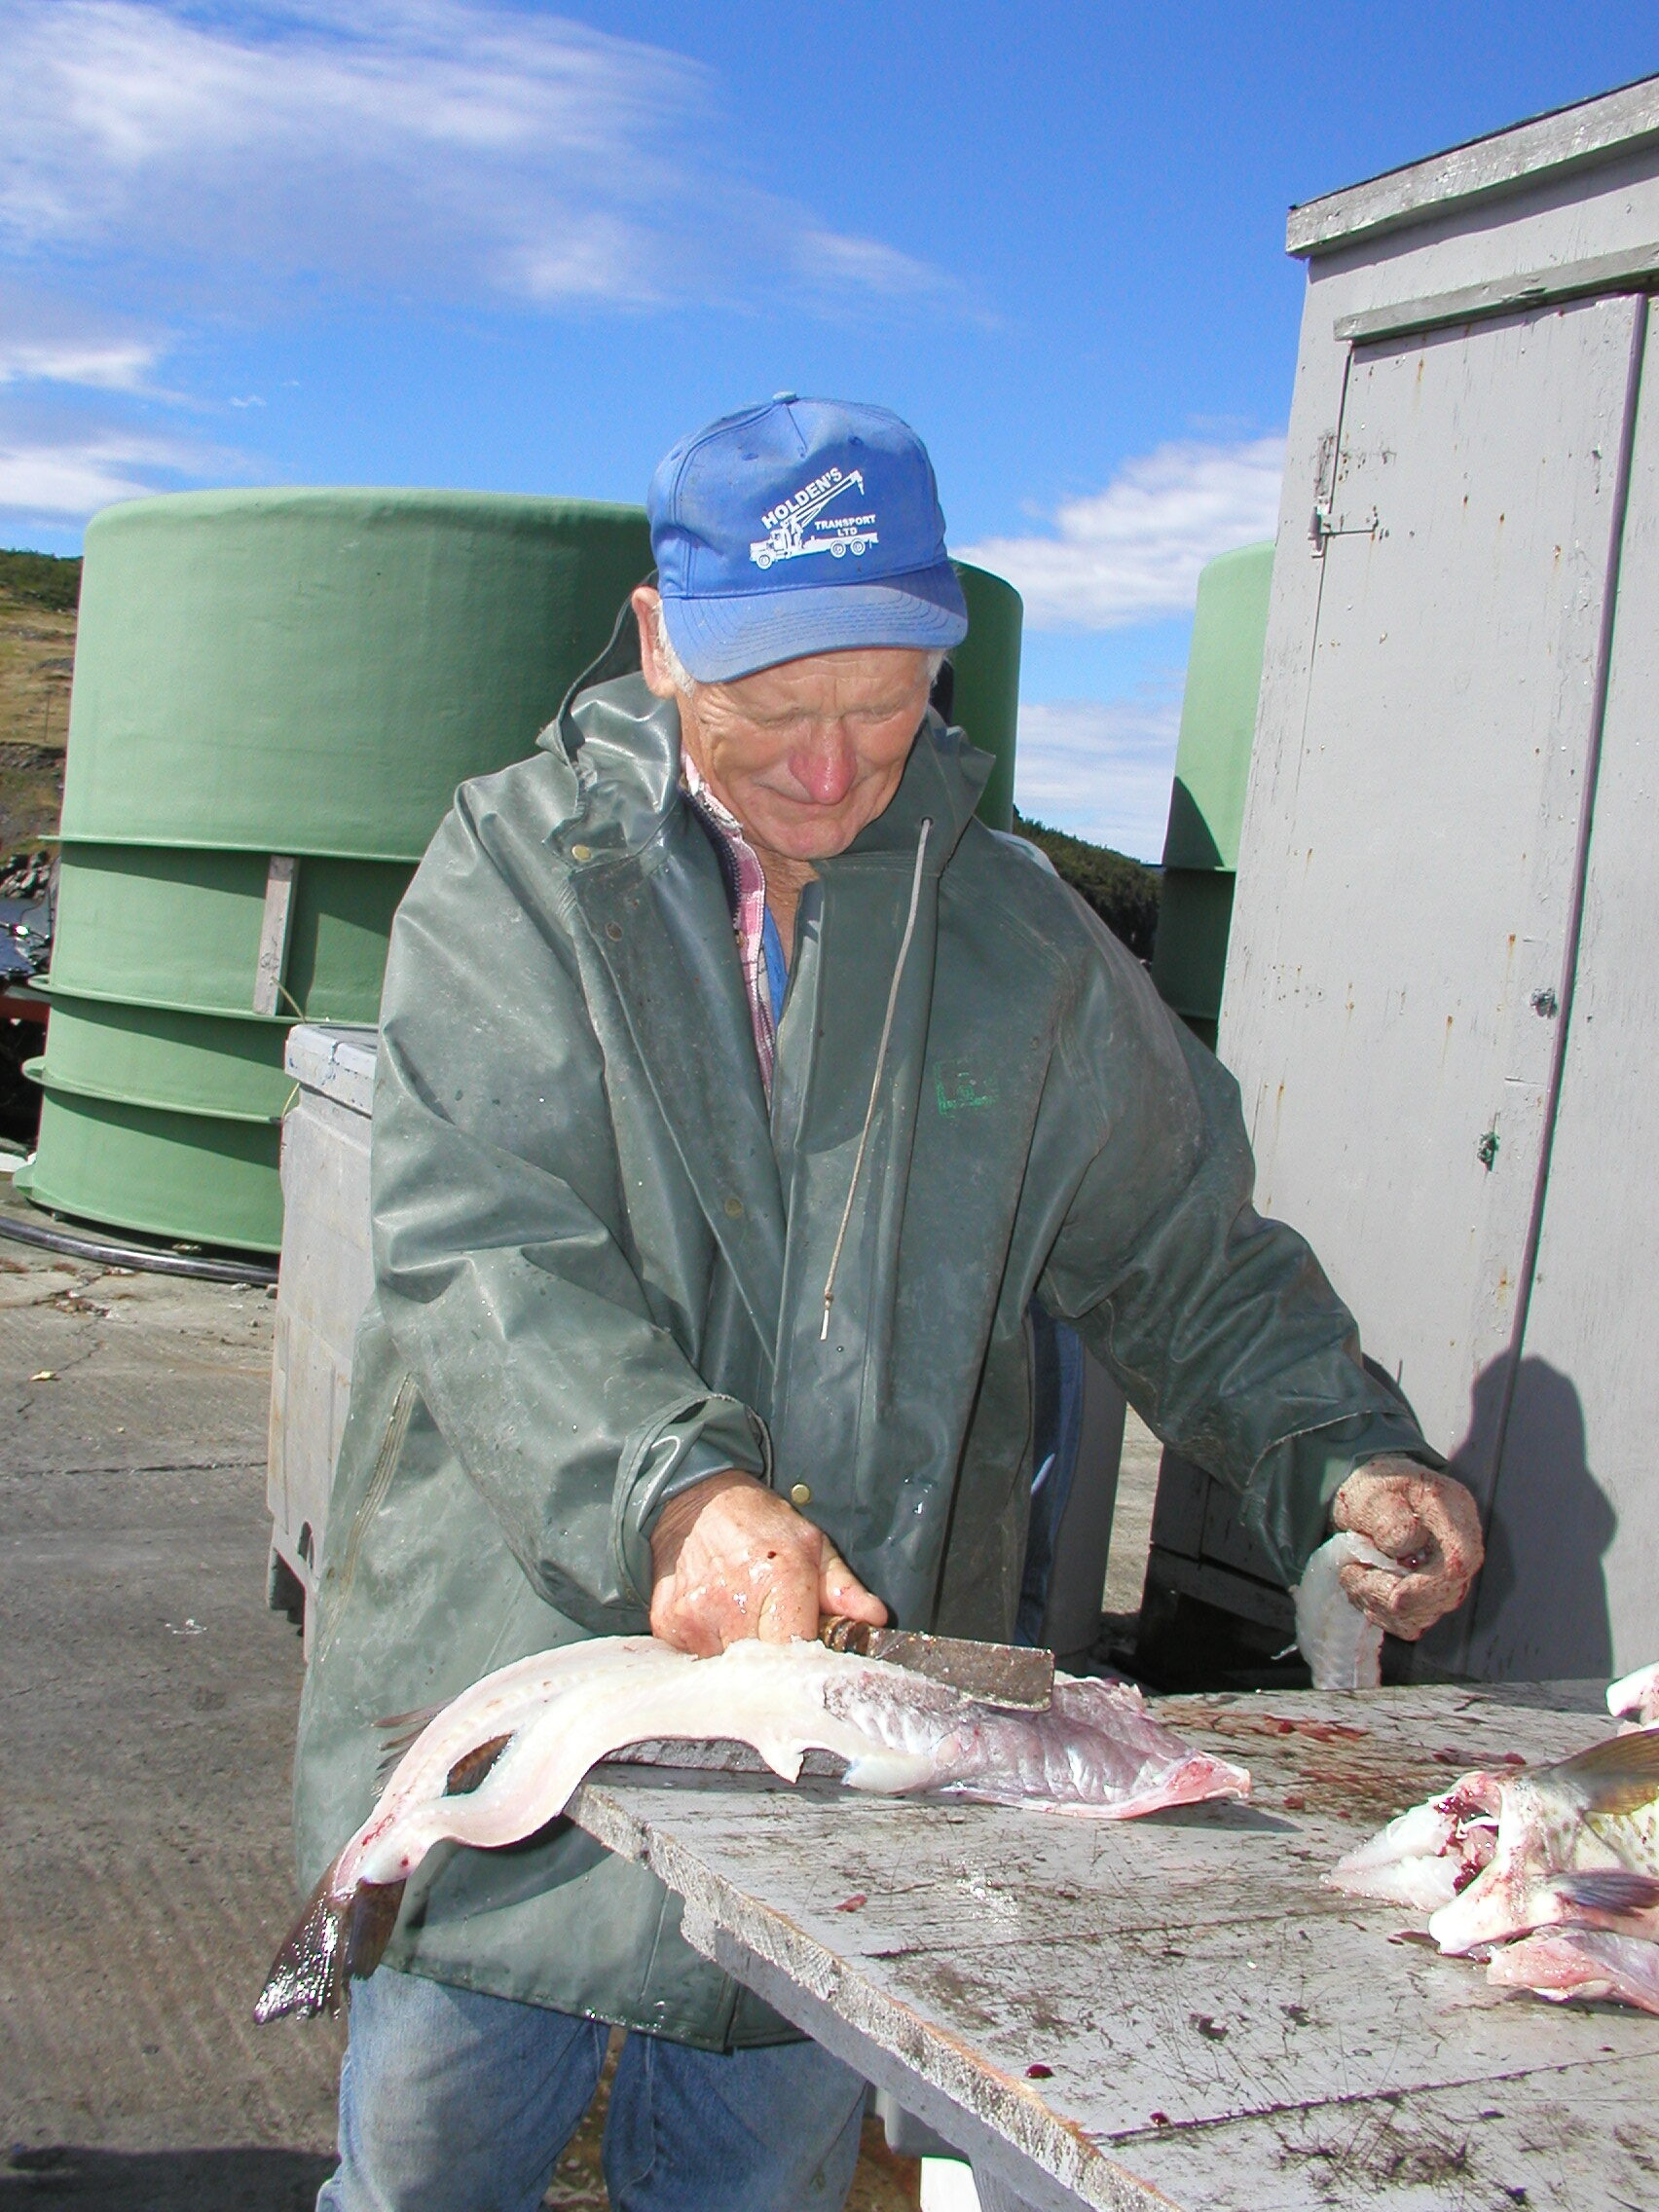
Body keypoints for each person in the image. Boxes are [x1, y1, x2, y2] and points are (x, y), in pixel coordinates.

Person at [294, 396, 1483, 2211]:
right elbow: (488, 1244)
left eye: (885, 703)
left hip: (846, 1765)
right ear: (658, 637)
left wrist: (1343, 1453)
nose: (835, 771)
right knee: (425, 2180)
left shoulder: (1025, 943)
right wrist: (678, 1499)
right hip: (527, 1701)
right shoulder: (521, 871)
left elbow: (1185, 1252)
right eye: (776, 707)